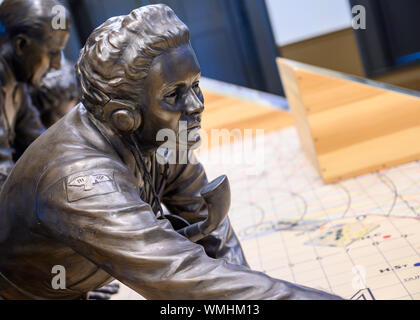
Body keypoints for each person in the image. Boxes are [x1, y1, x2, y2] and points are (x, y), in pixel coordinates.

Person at [0, 5, 342, 300]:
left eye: (195, 85)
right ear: (124, 114)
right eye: (174, 94)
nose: (196, 105)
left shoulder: (159, 136)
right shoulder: (78, 181)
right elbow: (182, 277)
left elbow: (209, 229)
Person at [0, 0, 69, 187]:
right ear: (21, 45)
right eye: (53, 52)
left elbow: (41, 146)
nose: (56, 64)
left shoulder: (17, 87)